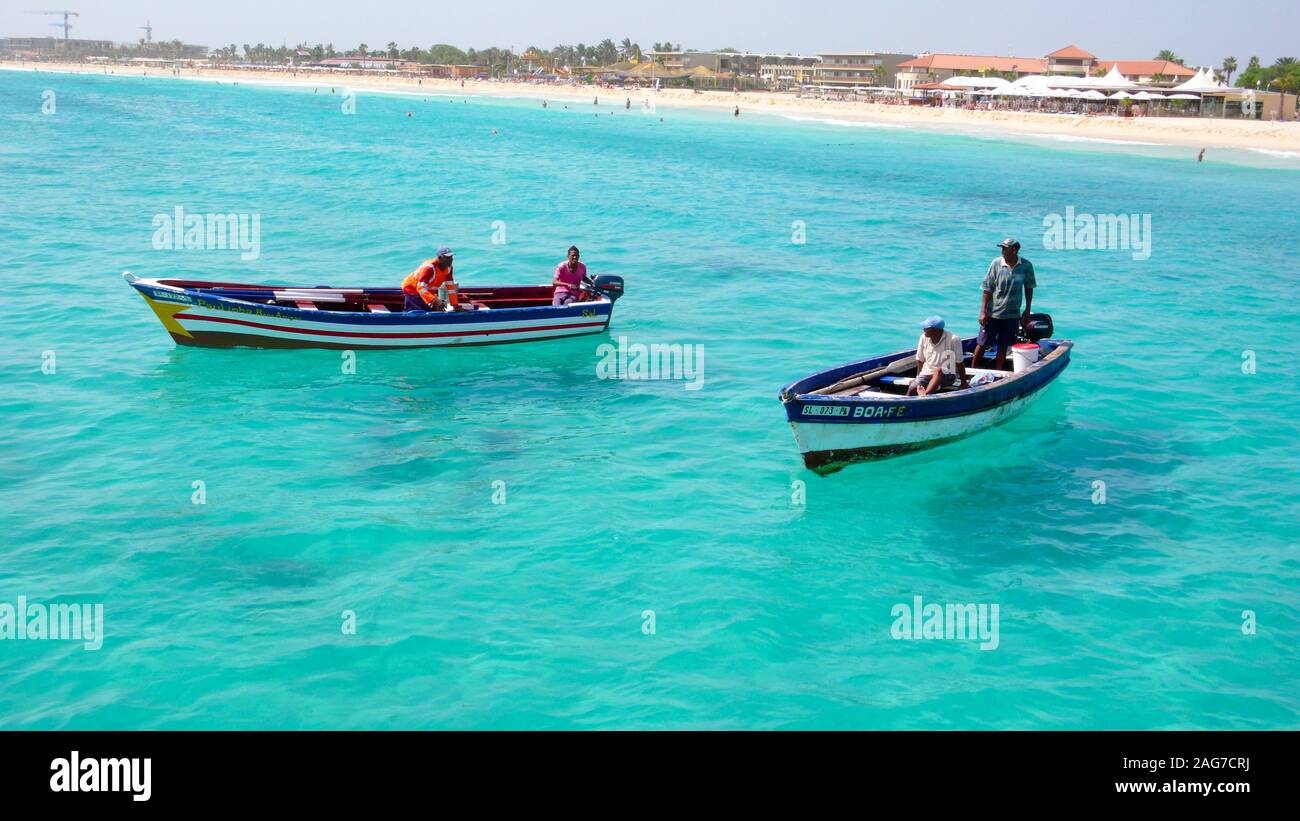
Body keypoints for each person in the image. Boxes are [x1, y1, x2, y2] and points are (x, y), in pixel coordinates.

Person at [971, 238, 1036, 371]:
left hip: (1012, 314)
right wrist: (983, 311)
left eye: (1005, 248)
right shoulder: (996, 263)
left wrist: (1027, 310)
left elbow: (1029, 288)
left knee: (1003, 345)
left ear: (1014, 250)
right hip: (993, 313)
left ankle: (998, 373)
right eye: (1002, 248)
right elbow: (987, 288)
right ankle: (971, 371)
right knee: (982, 343)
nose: (1002, 251)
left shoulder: (1026, 266)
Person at [908, 316, 970, 396]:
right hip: (926, 373)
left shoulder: (954, 339)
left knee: (938, 370)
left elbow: (959, 362)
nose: (923, 329)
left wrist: (963, 383)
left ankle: (925, 395)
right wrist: (917, 378)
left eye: (926, 327)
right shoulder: (923, 337)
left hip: (947, 375)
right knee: (912, 387)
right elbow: (920, 360)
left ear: (936, 330)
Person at [402, 246, 458, 311]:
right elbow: (420, 288)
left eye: (451, 257)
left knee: (437, 309)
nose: (451, 259)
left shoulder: (449, 268)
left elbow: (451, 288)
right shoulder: (429, 268)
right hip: (411, 289)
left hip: (427, 291)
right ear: (440, 258)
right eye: (447, 258)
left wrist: (455, 305)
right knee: (422, 312)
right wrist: (434, 300)